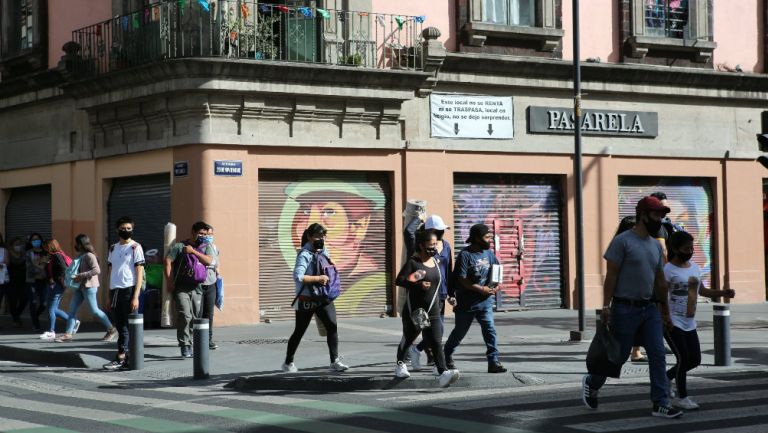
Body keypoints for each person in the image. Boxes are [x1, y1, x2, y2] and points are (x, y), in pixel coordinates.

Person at [581, 196, 682, 419]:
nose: (660, 219)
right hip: (624, 308)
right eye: (656, 215)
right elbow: (611, 277)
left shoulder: (656, 246)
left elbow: (660, 281)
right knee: (617, 356)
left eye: (662, 215)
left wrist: (665, 312)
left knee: (657, 354)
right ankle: (593, 381)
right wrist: (605, 306)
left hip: (650, 309)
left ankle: (660, 403)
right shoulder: (623, 241)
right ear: (643, 215)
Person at [664, 230, 735, 410]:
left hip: (689, 322)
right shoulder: (668, 270)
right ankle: (682, 397)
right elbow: (660, 295)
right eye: (686, 248)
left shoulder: (694, 267)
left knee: (694, 359)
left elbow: (702, 291)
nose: (690, 251)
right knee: (682, 358)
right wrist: (664, 318)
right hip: (673, 322)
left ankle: (665, 378)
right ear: (675, 248)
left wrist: (722, 293)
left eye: (691, 247)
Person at [395, 228, 459, 387]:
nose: (434, 248)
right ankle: (400, 364)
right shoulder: (413, 262)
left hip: (433, 309)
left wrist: (450, 295)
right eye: (431, 245)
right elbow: (400, 280)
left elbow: (441, 282)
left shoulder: (436, 262)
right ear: (422, 245)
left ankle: (443, 372)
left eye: (435, 245)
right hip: (416, 311)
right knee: (409, 338)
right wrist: (417, 284)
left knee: (436, 341)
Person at [282, 223, 349, 373]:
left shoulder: (323, 251)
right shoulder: (304, 254)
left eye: (323, 236)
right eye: (318, 236)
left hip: (324, 296)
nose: (321, 239)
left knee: (332, 326)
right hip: (307, 299)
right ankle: (288, 362)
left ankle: (335, 361)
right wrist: (318, 278)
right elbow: (298, 276)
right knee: (299, 331)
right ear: (309, 237)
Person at [443, 223, 507, 374]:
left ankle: (493, 361)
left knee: (490, 330)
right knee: (459, 333)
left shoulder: (489, 254)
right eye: (487, 237)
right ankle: (446, 356)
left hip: (485, 302)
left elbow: (497, 272)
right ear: (477, 238)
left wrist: (497, 286)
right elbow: (462, 279)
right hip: (467, 303)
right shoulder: (465, 255)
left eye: (490, 237)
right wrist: (481, 289)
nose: (489, 239)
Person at [409, 215, 455, 371]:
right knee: (435, 329)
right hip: (427, 293)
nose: (442, 232)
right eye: (439, 230)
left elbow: (449, 270)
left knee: (437, 329)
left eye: (443, 230)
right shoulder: (422, 247)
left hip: (441, 293)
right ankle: (434, 360)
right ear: (431, 230)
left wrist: (451, 293)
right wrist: (417, 218)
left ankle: (418, 350)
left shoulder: (446, 246)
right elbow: (409, 233)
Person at [165, 221, 214, 358]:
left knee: (194, 317)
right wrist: (169, 281)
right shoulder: (180, 246)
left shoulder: (206, 247)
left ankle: (191, 342)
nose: (203, 236)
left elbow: (209, 261)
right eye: (200, 233)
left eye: (205, 234)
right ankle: (184, 344)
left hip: (197, 288)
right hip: (181, 288)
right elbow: (168, 260)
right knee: (185, 315)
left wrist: (193, 252)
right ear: (193, 232)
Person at [55, 234, 117, 343]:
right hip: (79, 287)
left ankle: (111, 329)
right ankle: (68, 334)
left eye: (76, 243)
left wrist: (81, 275)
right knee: (72, 310)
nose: (75, 245)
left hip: (89, 287)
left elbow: (97, 270)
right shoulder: (81, 255)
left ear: (81, 244)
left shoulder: (89, 255)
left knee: (94, 311)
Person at [104, 216, 145, 371]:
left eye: (129, 228)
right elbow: (110, 271)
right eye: (123, 228)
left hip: (129, 289)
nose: (126, 231)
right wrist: (108, 294)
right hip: (115, 290)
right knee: (120, 325)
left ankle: (124, 356)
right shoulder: (113, 248)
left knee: (129, 325)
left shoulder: (136, 247)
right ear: (117, 230)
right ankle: (123, 356)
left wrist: (136, 296)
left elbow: (139, 271)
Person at [39, 239, 73, 340]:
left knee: (50, 308)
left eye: (46, 246)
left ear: (50, 246)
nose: (44, 248)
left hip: (57, 285)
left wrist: (59, 281)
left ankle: (51, 331)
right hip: (54, 284)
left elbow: (63, 269)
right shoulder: (52, 256)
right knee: (54, 309)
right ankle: (72, 321)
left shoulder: (57, 256)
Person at [200, 225, 220, 350]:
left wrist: (218, 273)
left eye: (211, 234)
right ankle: (198, 338)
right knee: (199, 313)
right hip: (199, 283)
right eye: (206, 234)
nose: (209, 237)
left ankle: (209, 339)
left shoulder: (214, 247)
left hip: (211, 283)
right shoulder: (200, 248)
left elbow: (217, 263)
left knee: (209, 313)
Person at [26, 233, 48, 332]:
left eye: (37, 239)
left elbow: (46, 265)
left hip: (43, 280)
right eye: (33, 240)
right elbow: (28, 266)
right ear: (31, 242)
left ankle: (35, 317)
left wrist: (38, 266)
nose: (36, 241)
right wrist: (39, 269)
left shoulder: (45, 252)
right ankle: (36, 324)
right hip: (32, 280)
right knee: (33, 302)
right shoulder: (28, 253)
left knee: (44, 303)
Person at [6, 237, 27, 328]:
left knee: (24, 300)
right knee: (13, 301)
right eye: (16, 244)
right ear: (12, 246)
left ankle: (16, 315)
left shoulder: (24, 255)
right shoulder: (8, 255)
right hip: (10, 281)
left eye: (20, 244)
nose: (18, 246)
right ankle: (16, 319)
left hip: (23, 281)